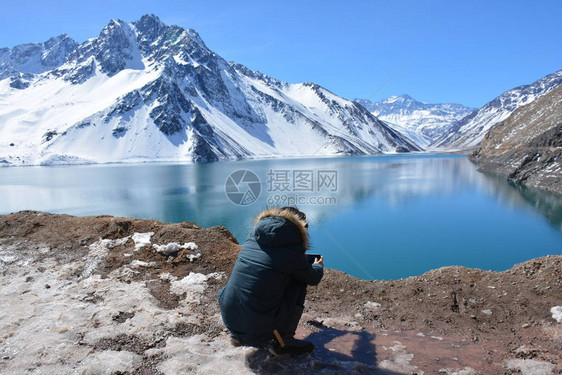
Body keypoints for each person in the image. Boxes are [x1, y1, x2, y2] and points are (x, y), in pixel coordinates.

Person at [218, 206, 324, 356]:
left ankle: (240, 335)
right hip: (258, 329)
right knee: (298, 282)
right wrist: (317, 267)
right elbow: (312, 278)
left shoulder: (254, 236)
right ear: (300, 228)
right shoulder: (292, 249)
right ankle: (284, 342)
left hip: (230, 318)